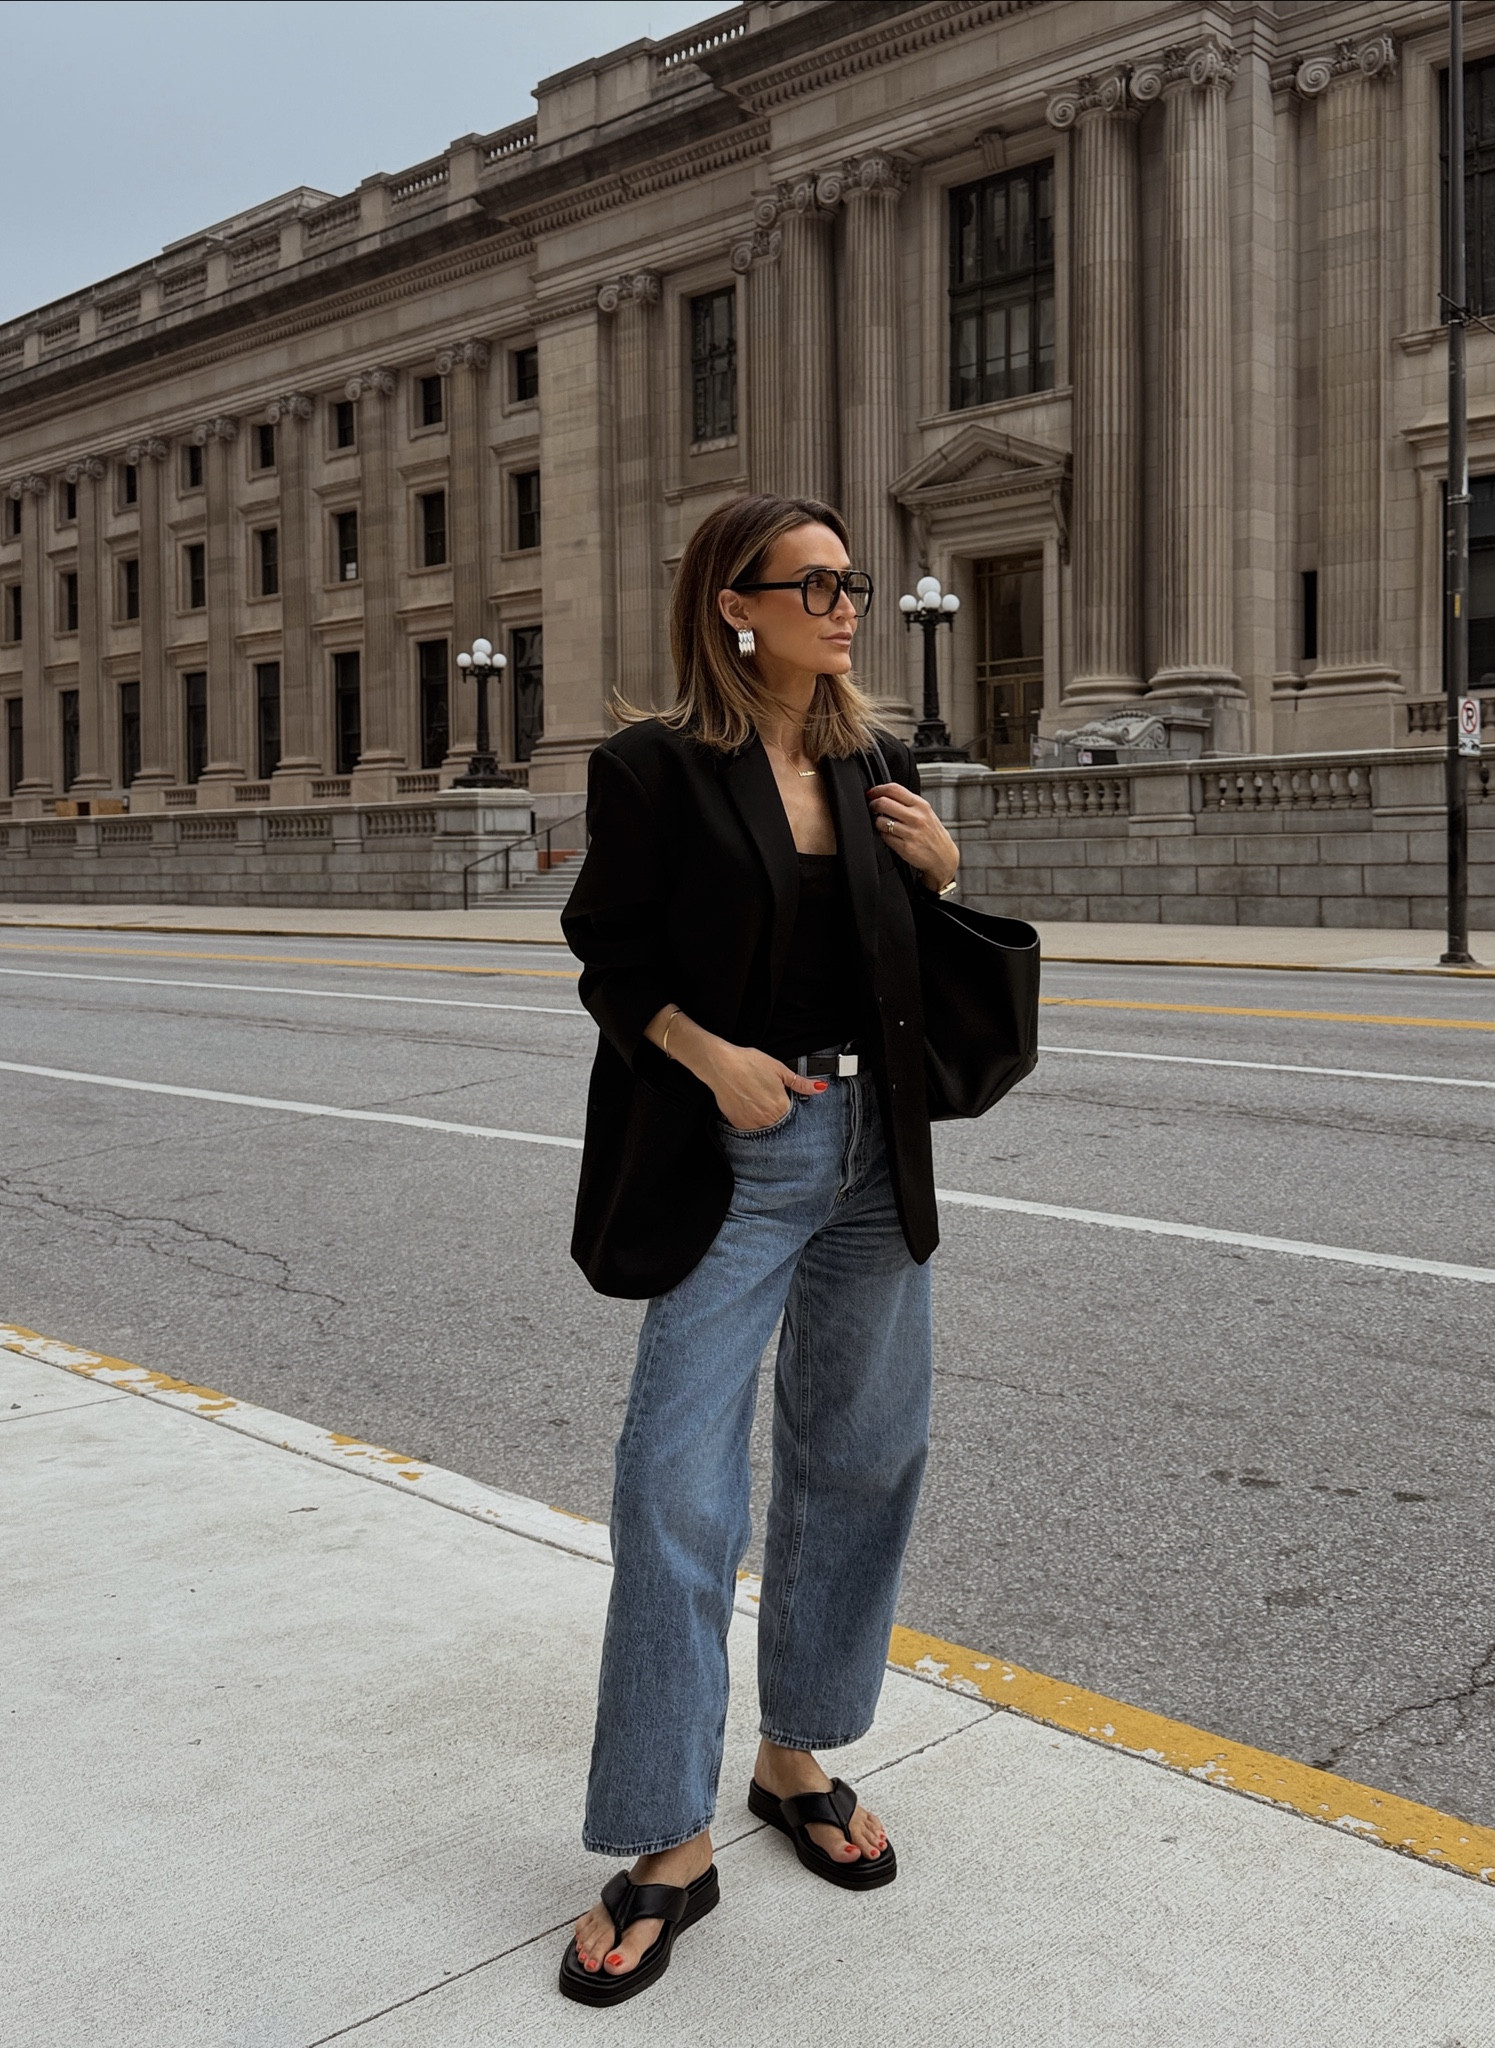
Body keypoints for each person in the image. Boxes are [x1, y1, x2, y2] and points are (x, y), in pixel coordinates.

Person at [557, 494, 961, 2007]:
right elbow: (609, 955)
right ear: (735, 603)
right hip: (740, 1149)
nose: (846, 605)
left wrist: (940, 871)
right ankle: (668, 1837)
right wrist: (706, 1054)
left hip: (875, 1154)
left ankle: (796, 1750)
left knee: (861, 1455)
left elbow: (912, 972)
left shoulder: (877, 762)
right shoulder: (657, 766)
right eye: (813, 584)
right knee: (676, 1480)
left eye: (852, 581)